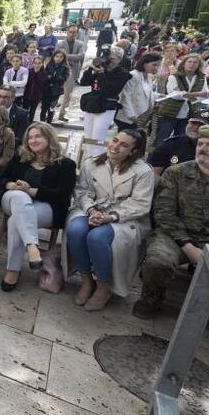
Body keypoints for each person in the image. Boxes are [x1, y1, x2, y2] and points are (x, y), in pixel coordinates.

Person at [132, 125, 209, 327]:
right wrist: (188, 246)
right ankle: (151, 298)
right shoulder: (177, 173)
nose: (203, 148)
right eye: (200, 143)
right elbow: (164, 212)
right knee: (157, 261)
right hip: (177, 238)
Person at [64, 129, 154, 310]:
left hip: (125, 217)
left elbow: (140, 204)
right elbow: (82, 191)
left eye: (124, 145)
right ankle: (87, 280)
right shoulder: (92, 163)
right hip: (93, 210)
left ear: (133, 151)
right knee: (75, 230)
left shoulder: (143, 172)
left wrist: (111, 217)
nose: (115, 147)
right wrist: (91, 210)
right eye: (115, 140)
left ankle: (104, 287)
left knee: (96, 238)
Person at [0, 122, 77, 291]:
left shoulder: (66, 164)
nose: (33, 140)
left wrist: (31, 191)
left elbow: (62, 194)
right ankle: (32, 247)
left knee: (15, 221)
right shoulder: (20, 157)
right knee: (19, 198)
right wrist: (10, 185)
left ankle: (13, 270)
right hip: (13, 199)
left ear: (49, 138)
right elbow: (1, 179)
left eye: (38, 136)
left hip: (46, 206)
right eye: (30, 137)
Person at [147, 109, 209, 177]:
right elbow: (154, 174)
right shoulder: (170, 145)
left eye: (202, 125)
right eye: (193, 123)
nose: (195, 128)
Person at [78, 47, 131, 142]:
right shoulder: (102, 69)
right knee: (88, 138)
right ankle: (88, 156)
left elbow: (109, 90)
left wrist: (101, 73)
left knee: (97, 139)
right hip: (92, 105)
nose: (108, 61)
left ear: (119, 59)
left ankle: (96, 156)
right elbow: (84, 82)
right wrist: (90, 69)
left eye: (112, 59)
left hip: (106, 108)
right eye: (107, 58)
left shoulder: (123, 73)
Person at [155, 52, 207, 143]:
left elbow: (205, 94)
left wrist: (195, 96)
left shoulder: (201, 77)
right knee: (161, 139)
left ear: (199, 65)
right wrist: (197, 94)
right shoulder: (174, 76)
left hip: (188, 113)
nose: (192, 64)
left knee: (180, 140)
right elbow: (174, 95)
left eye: (195, 62)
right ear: (184, 63)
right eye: (189, 62)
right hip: (169, 111)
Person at [115, 53, 161, 132]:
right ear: (145, 64)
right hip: (128, 116)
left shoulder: (148, 76)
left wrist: (160, 96)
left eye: (158, 65)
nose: (156, 67)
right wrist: (131, 115)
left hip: (140, 115)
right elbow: (126, 95)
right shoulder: (134, 75)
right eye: (154, 65)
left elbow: (146, 93)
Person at [56, 25, 87, 122]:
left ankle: (62, 114)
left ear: (77, 33)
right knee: (55, 93)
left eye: (74, 32)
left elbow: (81, 56)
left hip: (72, 72)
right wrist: (68, 58)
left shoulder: (80, 44)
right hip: (60, 71)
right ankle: (51, 111)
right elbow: (56, 56)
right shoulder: (60, 44)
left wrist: (65, 57)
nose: (72, 34)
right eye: (70, 32)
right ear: (67, 32)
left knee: (67, 95)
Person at [40, 50, 69, 123]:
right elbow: (45, 75)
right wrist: (51, 77)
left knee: (51, 108)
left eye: (61, 57)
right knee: (44, 108)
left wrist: (53, 77)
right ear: (53, 57)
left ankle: (49, 123)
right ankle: (42, 123)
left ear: (64, 58)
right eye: (57, 56)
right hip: (46, 90)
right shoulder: (49, 65)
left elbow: (63, 78)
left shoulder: (65, 67)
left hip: (56, 91)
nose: (58, 58)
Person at [21, 56, 47, 124]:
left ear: (42, 64)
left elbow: (41, 83)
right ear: (33, 63)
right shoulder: (28, 71)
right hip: (27, 95)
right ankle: (23, 124)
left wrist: (37, 73)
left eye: (39, 63)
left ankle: (30, 123)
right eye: (35, 63)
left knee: (32, 111)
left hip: (36, 96)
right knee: (24, 110)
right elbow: (26, 82)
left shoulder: (43, 73)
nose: (37, 65)